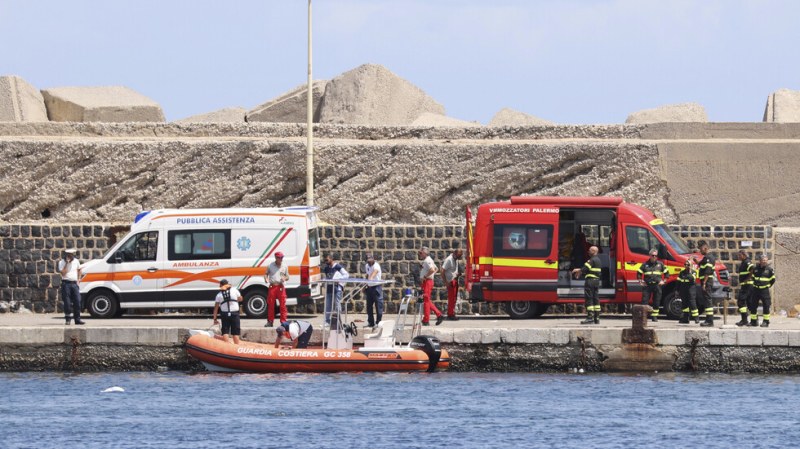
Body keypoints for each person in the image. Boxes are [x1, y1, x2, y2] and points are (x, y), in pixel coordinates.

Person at [571, 245, 601, 324]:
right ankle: (597, 318)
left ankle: (590, 318)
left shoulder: (591, 260)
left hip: (590, 281)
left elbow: (585, 268)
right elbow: (590, 270)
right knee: (596, 299)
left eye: (590, 250)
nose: (588, 251)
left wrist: (577, 270)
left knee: (589, 299)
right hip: (596, 281)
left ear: (594, 252)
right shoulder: (598, 260)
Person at [637, 248, 667, 322]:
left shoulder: (660, 264)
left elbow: (667, 273)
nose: (654, 257)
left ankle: (654, 317)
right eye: (653, 255)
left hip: (657, 286)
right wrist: (640, 281)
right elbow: (639, 273)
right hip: (647, 286)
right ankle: (644, 317)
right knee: (644, 302)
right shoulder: (645, 264)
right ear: (650, 255)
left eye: (656, 256)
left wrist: (664, 281)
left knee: (656, 302)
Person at [58, 248, 85, 325]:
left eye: (72, 255)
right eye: (69, 255)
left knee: (77, 301)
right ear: (66, 255)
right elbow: (63, 273)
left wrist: (79, 279)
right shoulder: (62, 262)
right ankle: (68, 319)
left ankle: (77, 319)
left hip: (74, 284)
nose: (71, 256)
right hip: (66, 284)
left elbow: (79, 269)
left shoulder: (76, 261)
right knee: (67, 302)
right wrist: (67, 263)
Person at [418, 247, 444, 326]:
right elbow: (436, 269)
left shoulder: (427, 260)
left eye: (420, 253)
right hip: (427, 281)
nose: (420, 255)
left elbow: (433, 269)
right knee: (427, 300)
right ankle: (438, 315)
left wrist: (426, 276)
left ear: (425, 253)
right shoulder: (429, 260)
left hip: (427, 282)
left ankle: (426, 320)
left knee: (426, 300)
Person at [212, 279, 242, 344]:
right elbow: (241, 299)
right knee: (235, 332)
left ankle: (227, 346)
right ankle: (237, 347)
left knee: (225, 331)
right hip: (235, 314)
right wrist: (236, 299)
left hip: (225, 314)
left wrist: (215, 319)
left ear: (221, 285)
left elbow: (216, 308)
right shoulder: (235, 290)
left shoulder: (219, 295)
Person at [264, 251, 289, 328]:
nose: (281, 259)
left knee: (283, 305)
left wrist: (284, 278)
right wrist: (266, 279)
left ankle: (283, 322)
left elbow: (287, 277)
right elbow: (266, 274)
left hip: (280, 286)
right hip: (272, 286)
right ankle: (270, 321)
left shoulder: (284, 266)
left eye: (282, 257)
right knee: (271, 305)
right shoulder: (270, 265)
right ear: (276, 258)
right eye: (280, 258)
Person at [750, 254, 776, 327]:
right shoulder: (755, 268)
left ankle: (766, 321)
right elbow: (753, 278)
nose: (764, 261)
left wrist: (767, 286)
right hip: (756, 290)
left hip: (764, 290)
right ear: (760, 261)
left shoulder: (769, 270)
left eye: (766, 260)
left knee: (766, 306)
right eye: (763, 260)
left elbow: (773, 280)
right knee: (753, 306)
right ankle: (754, 321)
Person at [323, 253, 349, 327]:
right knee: (328, 305)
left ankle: (338, 320)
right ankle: (327, 321)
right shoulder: (326, 268)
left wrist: (339, 280)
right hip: (329, 288)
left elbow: (346, 275)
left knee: (337, 305)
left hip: (337, 289)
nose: (326, 261)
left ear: (331, 259)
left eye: (327, 260)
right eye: (325, 260)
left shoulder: (338, 267)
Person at [696, 241, 716, 327]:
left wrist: (704, 283)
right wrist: (695, 261)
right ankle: (708, 319)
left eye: (701, 249)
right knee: (706, 300)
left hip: (707, 282)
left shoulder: (709, 258)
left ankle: (709, 320)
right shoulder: (705, 258)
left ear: (705, 248)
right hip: (705, 282)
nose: (700, 251)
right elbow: (700, 264)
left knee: (708, 301)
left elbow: (707, 272)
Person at [442, 247, 464, 320]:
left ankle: (451, 313)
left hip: (455, 280)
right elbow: (442, 271)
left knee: (454, 299)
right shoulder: (449, 260)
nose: (458, 258)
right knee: (451, 299)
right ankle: (450, 314)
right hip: (450, 282)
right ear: (455, 253)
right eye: (458, 256)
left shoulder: (455, 259)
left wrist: (457, 274)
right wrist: (446, 282)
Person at [735, 250, 755, 327]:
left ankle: (744, 320)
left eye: (739, 255)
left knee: (741, 302)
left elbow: (752, 269)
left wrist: (747, 279)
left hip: (747, 285)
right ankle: (753, 321)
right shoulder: (744, 262)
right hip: (746, 285)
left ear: (743, 255)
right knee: (750, 303)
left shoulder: (747, 262)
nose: (738, 257)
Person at [677, 259, 700, 324]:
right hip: (683, 290)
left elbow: (692, 279)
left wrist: (690, 271)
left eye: (688, 265)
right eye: (685, 264)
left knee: (692, 303)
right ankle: (685, 319)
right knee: (684, 304)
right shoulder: (682, 272)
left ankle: (696, 318)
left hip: (691, 290)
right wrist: (677, 290)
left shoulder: (693, 272)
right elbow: (678, 282)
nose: (686, 266)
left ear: (691, 265)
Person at [364, 253, 383, 328]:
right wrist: (364, 286)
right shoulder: (367, 266)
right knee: (369, 306)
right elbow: (368, 275)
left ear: (373, 259)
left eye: (370, 259)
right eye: (367, 260)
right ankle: (371, 322)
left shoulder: (376, 265)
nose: (368, 261)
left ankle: (378, 322)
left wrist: (370, 279)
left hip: (376, 287)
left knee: (378, 305)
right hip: (369, 287)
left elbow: (373, 274)